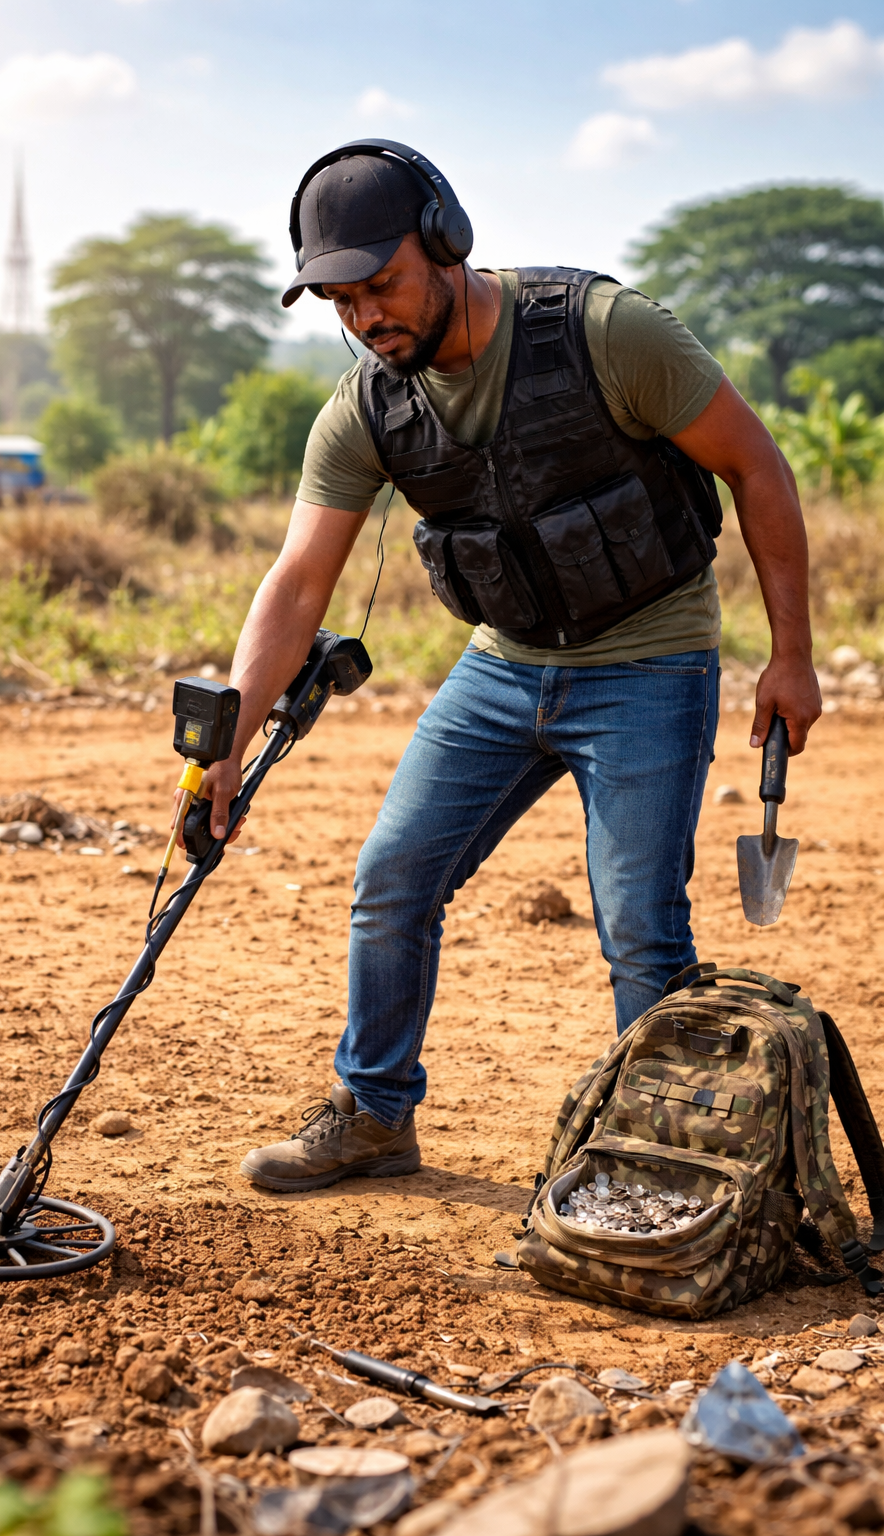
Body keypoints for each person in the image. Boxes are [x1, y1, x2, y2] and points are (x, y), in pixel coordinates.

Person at [179, 141, 821, 1194]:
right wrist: (224, 755)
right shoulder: (367, 408)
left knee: (636, 921)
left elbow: (756, 465)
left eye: (381, 284)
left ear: (445, 243)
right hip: (502, 667)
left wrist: (791, 658)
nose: (366, 317)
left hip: (649, 659)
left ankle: (659, 1166)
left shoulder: (604, 334)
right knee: (393, 876)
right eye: (340, 301)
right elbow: (298, 584)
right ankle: (376, 1114)